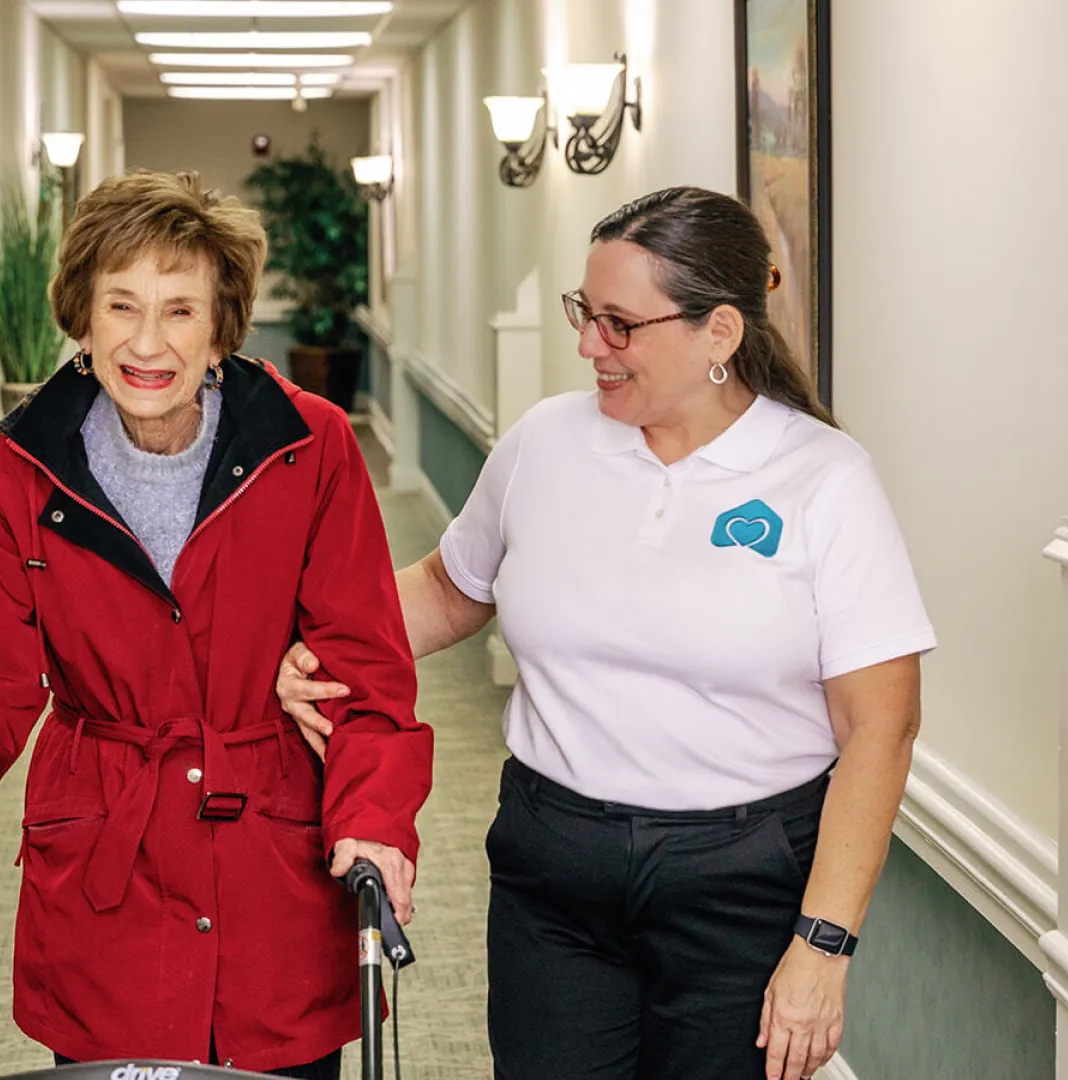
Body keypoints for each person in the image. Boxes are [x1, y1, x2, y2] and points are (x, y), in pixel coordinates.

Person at [278, 186, 933, 1080]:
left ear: (721, 335)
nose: (589, 344)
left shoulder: (822, 479)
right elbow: (448, 587)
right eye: (586, 314)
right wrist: (306, 649)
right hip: (554, 869)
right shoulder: (545, 443)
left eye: (619, 324)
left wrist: (822, 946)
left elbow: (880, 731)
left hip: (740, 882)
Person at [0, 170, 434, 1079]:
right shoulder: (17, 471)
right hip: (105, 866)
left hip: (272, 867)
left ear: (220, 331)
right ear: (82, 324)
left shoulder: (309, 446)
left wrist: (374, 821)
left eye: (179, 310)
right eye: (121, 304)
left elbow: (365, 672)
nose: (146, 342)